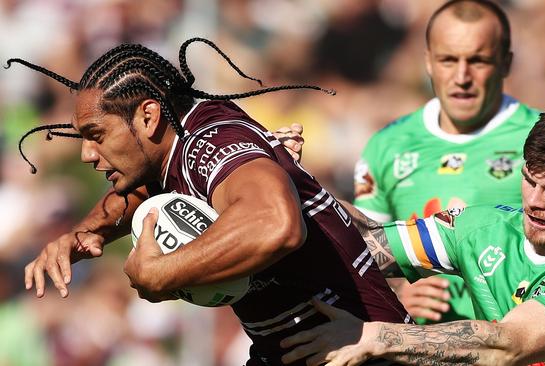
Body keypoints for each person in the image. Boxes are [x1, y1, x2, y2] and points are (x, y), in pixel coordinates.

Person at [9, 38, 411, 365]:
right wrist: (84, 234)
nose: (86, 154)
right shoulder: (178, 145)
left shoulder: (212, 144)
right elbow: (144, 190)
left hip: (365, 353)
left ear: (148, 117)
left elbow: (277, 225)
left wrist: (163, 273)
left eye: (96, 134)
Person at [281, 0, 545, 324]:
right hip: (425, 343)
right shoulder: (387, 144)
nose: (462, 77)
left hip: (525, 341)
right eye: (448, 59)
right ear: (427, 61)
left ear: (505, 63)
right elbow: (363, 237)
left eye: (478, 60)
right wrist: (395, 291)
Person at [280, 99, 545, 365]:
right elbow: (362, 241)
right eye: (529, 181)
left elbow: (509, 346)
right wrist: (291, 181)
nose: (535, 202)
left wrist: (374, 336)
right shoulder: (482, 228)